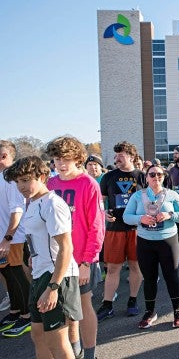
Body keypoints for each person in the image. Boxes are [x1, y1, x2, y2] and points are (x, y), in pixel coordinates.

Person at [5, 156, 83, 358]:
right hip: (41, 274)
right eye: (18, 182)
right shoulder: (33, 203)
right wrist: (34, 255)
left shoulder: (52, 204)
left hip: (57, 277)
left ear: (41, 177)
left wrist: (53, 287)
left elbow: (66, 247)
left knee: (56, 340)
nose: (21, 186)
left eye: (25, 180)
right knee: (38, 336)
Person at [46, 136, 105, 359]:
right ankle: (75, 349)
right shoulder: (51, 184)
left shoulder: (89, 184)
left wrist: (87, 262)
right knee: (65, 310)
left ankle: (90, 354)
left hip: (81, 259)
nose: (61, 163)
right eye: (57, 158)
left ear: (77, 158)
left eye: (67, 158)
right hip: (56, 259)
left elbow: (97, 227)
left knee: (83, 305)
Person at [123, 164, 179, 329]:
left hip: (168, 241)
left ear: (164, 176)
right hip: (146, 242)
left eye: (159, 174)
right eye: (152, 174)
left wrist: (170, 214)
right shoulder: (138, 196)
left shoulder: (172, 195)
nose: (156, 177)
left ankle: (177, 311)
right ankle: (150, 312)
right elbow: (126, 217)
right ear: (146, 177)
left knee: (171, 277)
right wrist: (140, 219)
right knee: (149, 278)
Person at [96, 142, 145, 322]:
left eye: (120, 155)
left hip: (137, 229)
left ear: (131, 156)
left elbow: (151, 201)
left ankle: (132, 301)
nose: (116, 159)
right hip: (115, 229)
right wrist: (103, 212)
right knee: (113, 268)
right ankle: (107, 305)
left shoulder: (142, 176)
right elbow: (101, 201)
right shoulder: (108, 177)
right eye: (115, 156)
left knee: (135, 266)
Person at [0, 140, 31, 338]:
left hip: (13, 237)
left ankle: (28, 316)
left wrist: (8, 238)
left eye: (3, 155)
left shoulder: (12, 178)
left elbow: (17, 210)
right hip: (3, 237)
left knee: (17, 275)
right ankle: (15, 311)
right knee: (9, 276)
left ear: (9, 156)